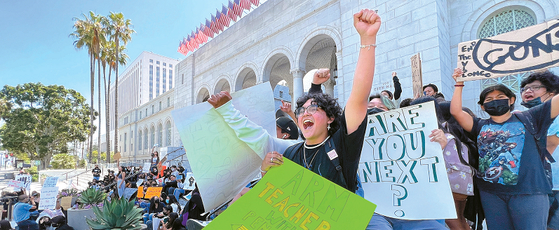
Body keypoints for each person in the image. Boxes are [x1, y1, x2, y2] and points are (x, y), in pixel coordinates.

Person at [451, 68, 559, 229]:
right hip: (492, 194)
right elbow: (456, 111)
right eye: (489, 99)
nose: (495, 100)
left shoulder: (532, 117)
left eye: (500, 97)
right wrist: (459, 84)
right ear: (482, 106)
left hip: (529, 192)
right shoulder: (479, 125)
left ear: (511, 100)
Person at [518, 70, 559, 230]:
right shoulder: (523, 116)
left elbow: (548, 147)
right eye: (525, 89)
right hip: (533, 186)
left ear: (552, 93)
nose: (528, 91)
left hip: (554, 186)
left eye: (535, 87)